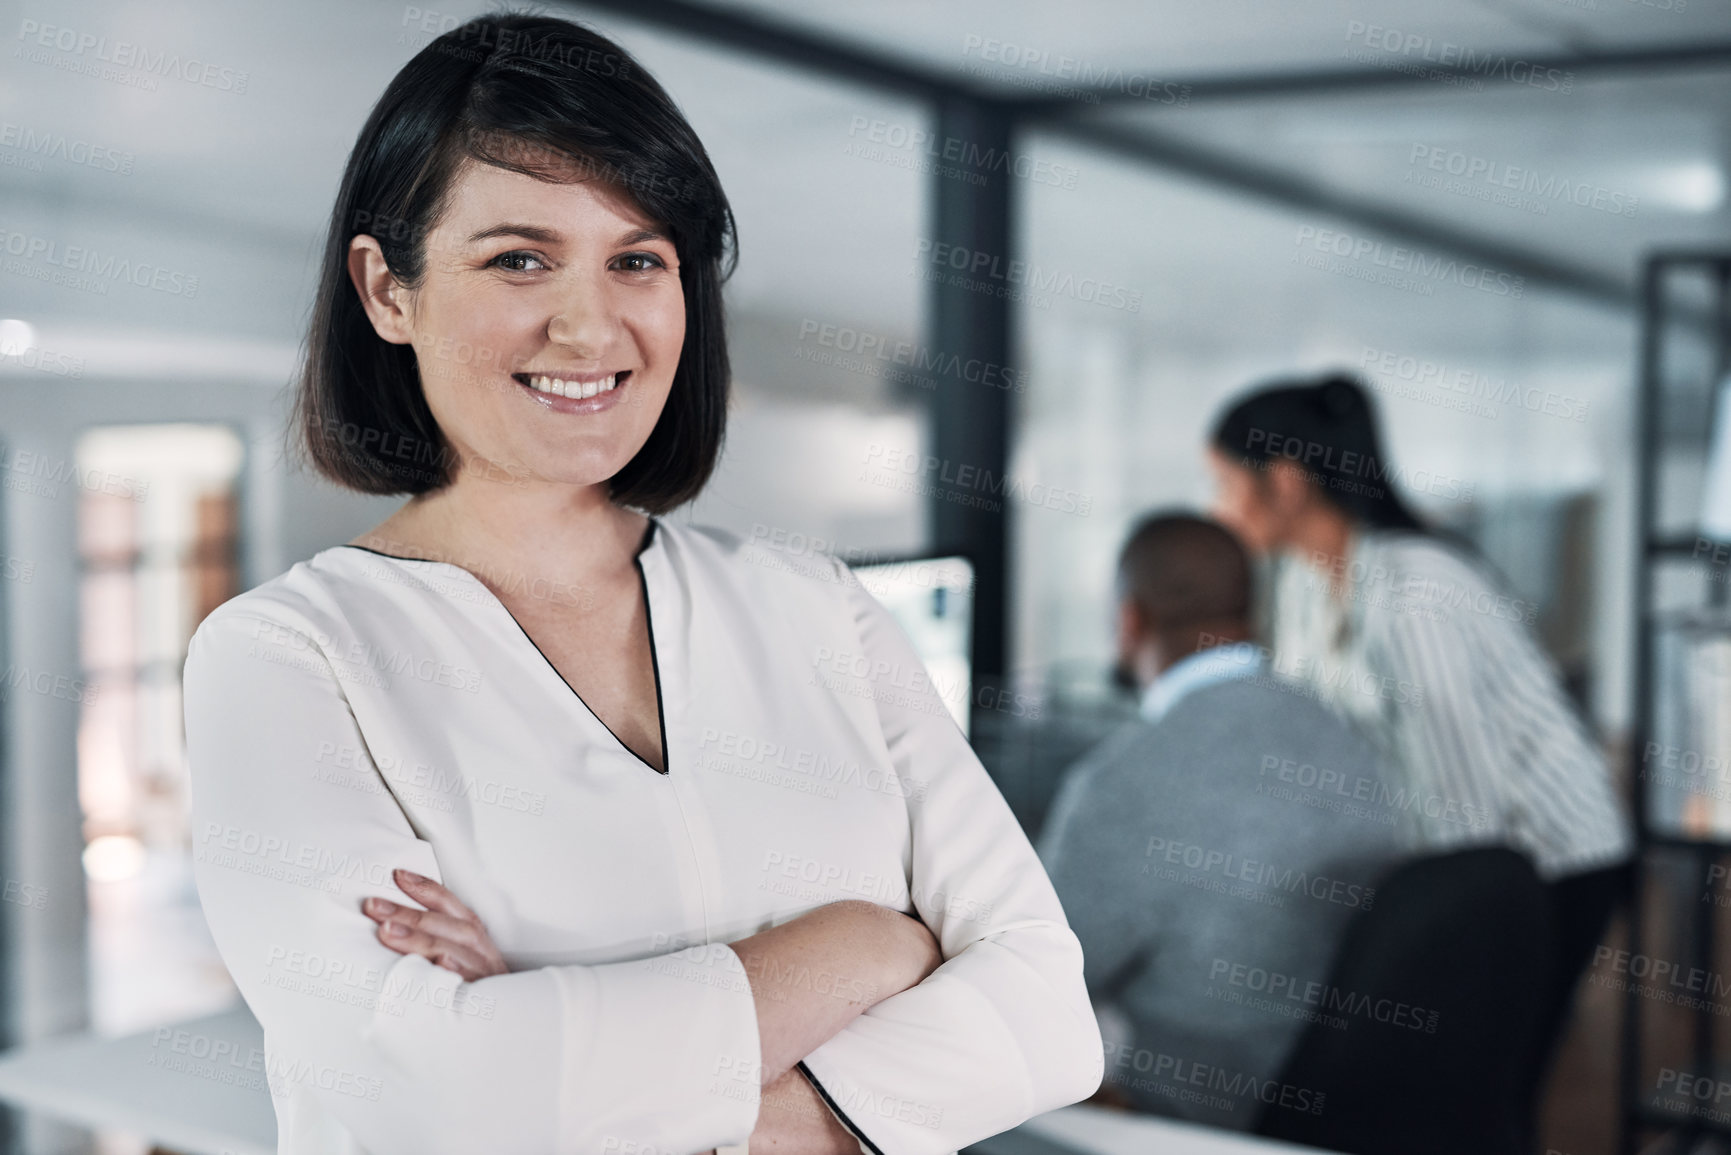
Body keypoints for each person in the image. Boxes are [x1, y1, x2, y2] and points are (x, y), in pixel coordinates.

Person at [183, 16, 1101, 1155]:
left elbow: (1049, 1016)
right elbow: (430, 1097)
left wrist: (568, 1050)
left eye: (639, 259)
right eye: (518, 258)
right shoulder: (286, 657)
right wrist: (871, 944)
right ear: (387, 290)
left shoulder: (814, 607)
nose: (589, 324)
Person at [1205, 372, 1632, 1086]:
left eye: (1222, 484)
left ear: (1282, 482)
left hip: (1549, 858)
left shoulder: (1415, 592)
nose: (1215, 509)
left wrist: (1438, 923)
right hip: (1469, 857)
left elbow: (1463, 798)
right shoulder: (1311, 580)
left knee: (1489, 1077)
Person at [1038, 512, 1405, 1131]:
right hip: (1340, 1077)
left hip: (1193, 1105)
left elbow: (1046, 975)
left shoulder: (1123, 779)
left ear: (1131, 620)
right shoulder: (1338, 727)